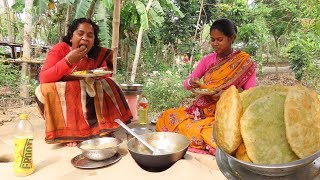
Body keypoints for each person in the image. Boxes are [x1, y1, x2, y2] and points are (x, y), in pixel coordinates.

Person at [155, 19, 256, 155]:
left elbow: (250, 94)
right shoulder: (207, 60)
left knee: (216, 135)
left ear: (232, 38)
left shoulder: (244, 62)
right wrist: (192, 82)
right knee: (167, 116)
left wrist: (226, 95)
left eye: (219, 40)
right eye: (212, 40)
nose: (215, 44)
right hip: (199, 111)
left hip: (225, 114)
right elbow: (187, 83)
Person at [35, 18, 132, 146]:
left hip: (87, 95)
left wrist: (100, 72)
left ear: (93, 41)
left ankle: (102, 128)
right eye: (80, 34)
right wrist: (68, 61)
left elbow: (104, 75)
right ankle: (70, 133)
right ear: (71, 37)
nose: (85, 38)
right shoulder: (60, 49)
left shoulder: (95, 54)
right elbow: (44, 78)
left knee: (109, 84)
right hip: (64, 93)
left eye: (90, 35)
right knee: (49, 89)